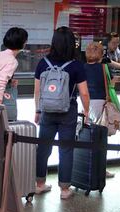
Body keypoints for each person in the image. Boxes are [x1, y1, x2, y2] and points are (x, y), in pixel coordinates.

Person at [34, 26, 90, 199]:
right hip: (68, 111)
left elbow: (38, 91)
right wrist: (86, 111)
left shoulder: (43, 63)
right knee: (66, 150)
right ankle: (65, 189)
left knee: (43, 148)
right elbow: (84, 92)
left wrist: (37, 110)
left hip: (47, 112)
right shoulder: (76, 65)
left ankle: (39, 184)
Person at [83, 42, 115, 178]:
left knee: (86, 136)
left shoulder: (81, 67)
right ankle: (101, 169)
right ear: (101, 54)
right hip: (100, 103)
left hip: (85, 103)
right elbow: (111, 83)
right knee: (100, 137)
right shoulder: (104, 68)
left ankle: (85, 166)